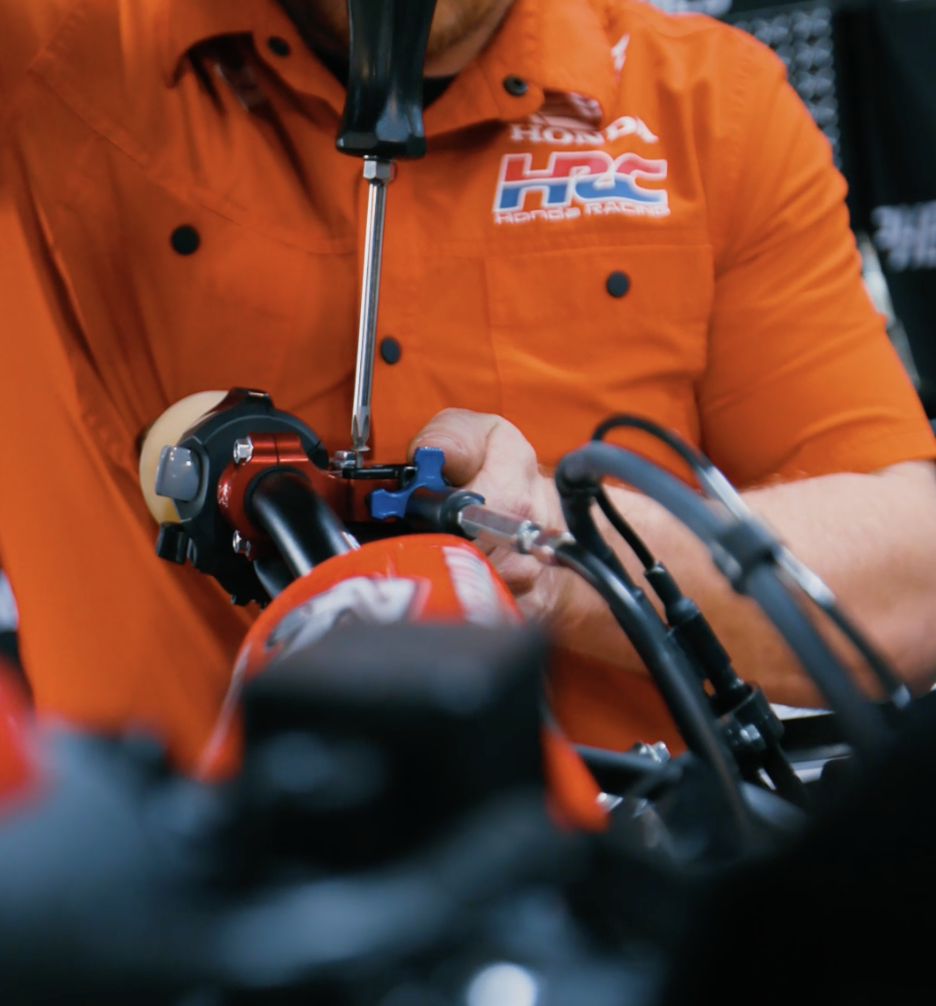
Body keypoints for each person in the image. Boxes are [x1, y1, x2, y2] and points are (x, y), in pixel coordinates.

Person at [1, 0, 934, 768]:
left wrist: (561, 553)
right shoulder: (55, 62)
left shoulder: (705, 108)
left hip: (608, 910)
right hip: (178, 917)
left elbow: (911, 581)